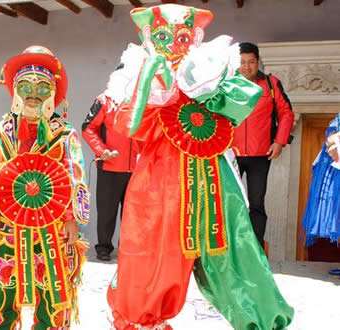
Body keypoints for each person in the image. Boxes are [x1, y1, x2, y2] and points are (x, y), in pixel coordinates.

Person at [104, 4, 294, 329]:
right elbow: (130, 124)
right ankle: (142, 319)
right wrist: (150, 82)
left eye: (182, 37)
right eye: (164, 37)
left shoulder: (209, 72)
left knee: (236, 251)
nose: (175, 45)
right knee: (152, 254)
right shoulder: (142, 79)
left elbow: (240, 105)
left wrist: (207, 85)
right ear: (151, 39)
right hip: (160, 182)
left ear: (195, 39)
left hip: (215, 180)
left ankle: (263, 320)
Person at [0, 45, 90, 329]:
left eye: (42, 86)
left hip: (51, 230)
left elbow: (75, 175)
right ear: (15, 91)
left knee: (52, 297)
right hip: (5, 228)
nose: (33, 93)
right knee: (2, 295)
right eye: (25, 85)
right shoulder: (2, 132)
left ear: (53, 93)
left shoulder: (64, 135)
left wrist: (72, 217)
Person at [232, 42, 295, 248]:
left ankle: (256, 249)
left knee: (256, 204)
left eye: (251, 62)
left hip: (261, 155)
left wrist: (279, 142)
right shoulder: (227, 83)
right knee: (230, 203)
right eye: (242, 62)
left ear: (258, 62)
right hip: (231, 155)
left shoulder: (270, 83)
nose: (246, 66)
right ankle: (231, 247)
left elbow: (286, 113)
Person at [82, 84, 141, 262]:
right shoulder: (104, 101)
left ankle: (128, 247)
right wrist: (101, 150)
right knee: (107, 210)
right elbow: (88, 127)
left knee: (132, 211)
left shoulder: (142, 102)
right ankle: (103, 247)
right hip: (110, 164)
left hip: (136, 166)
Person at [301, 113, 339, 248]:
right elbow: (330, 143)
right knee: (336, 214)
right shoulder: (337, 120)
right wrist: (333, 139)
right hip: (335, 173)